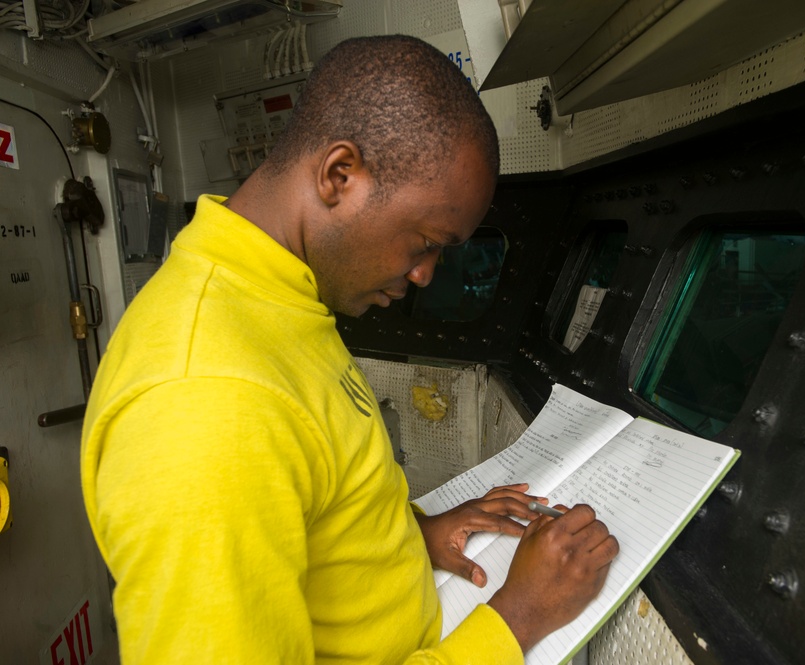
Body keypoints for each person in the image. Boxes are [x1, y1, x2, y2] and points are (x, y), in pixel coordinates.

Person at [80, 34, 619, 664]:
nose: (424, 275)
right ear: (340, 174)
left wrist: (409, 533)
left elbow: (312, 500)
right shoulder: (204, 402)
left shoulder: (275, 299)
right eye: (424, 242)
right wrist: (518, 618)